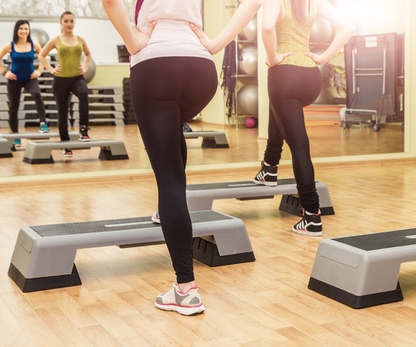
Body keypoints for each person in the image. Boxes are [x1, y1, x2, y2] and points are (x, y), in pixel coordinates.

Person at [101, 0, 261, 315]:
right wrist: (216, 43)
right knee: (171, 135)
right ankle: (166, 211)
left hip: (155, 65)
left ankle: (185, 290)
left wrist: (133, 41)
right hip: (200, 69)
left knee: (169, 179)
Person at [242, 0, 353, 236]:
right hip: (311, 77)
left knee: (299, 145)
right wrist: (323, 58)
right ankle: (269, 169)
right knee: (281, 108)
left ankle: (312, 216)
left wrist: (272, 58)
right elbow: (348, 28)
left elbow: (267, 28)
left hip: (285, 75)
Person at [39, 11, 92, 157]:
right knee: (63, 113)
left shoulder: (80, 39)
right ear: (61, 23)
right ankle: (66, 145)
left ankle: (83, 129)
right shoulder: (56, 40)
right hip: (60, 80)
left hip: (77, 78)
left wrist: (85, 66)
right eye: (66, 21)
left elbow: (88, 54)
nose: (69, 24)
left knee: (84, 93)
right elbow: (41, 55)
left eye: (71, 21)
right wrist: (50, 69)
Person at [0, 20, 49, 148]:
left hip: (29, 78)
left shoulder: (35, 45)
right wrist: (5, 73)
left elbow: (43, 56)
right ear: (17, 30)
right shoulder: (10, 45)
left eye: (26, 29)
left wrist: (39, 71)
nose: (23, 31)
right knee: (14, 108)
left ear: (29, 30)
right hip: (14, 79)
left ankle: (43, 123)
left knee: (37, 94)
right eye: (21, 28)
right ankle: (16, 136)